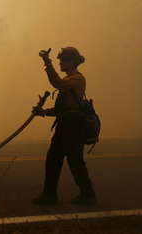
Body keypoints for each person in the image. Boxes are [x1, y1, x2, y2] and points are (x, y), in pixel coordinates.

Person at [32, 47, 96, 205]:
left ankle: (88, 194)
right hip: (64, 126)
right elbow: (62, 109)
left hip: (74, 127)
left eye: (63, 60)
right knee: (53, 159)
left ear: (73, 61)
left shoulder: (76, 79)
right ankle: (49, 195)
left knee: (75, 162)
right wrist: (44, 112)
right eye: (60, 60)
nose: (60, 62)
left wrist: (47, 62)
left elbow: (57, 83)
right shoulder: (68, 81)